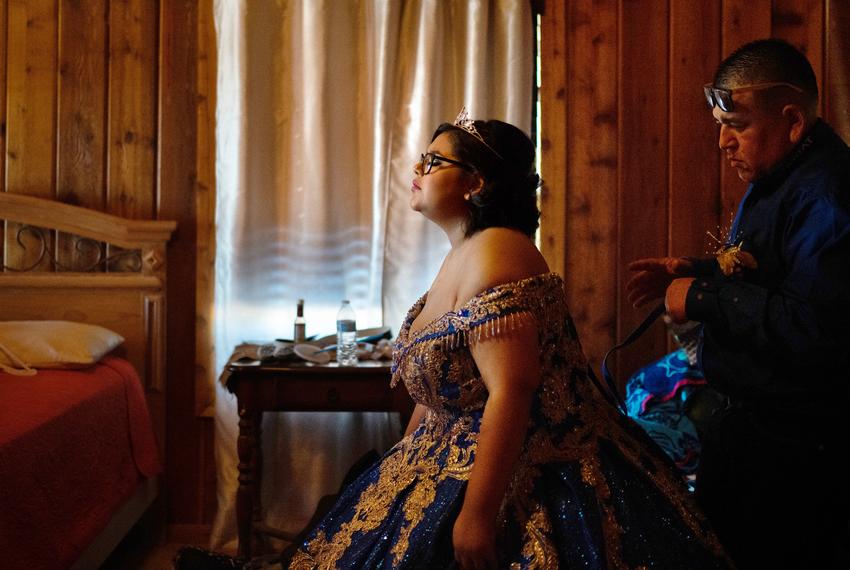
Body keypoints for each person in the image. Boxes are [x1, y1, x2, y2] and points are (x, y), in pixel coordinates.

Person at [287, 108, 729, 569]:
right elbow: (446, 391)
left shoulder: (499, 250)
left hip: (528, 472)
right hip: (441, 458)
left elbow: (511, 391)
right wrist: (398, 464)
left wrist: (476, 517)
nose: (418, 170)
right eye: (422, 159)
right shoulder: (465, 252)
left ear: (475, 184)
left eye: (433, 162)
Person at [627, 39, 850, 569]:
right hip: (749, 433)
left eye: (739, 126)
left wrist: (703, 297)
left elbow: (816, 325)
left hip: (797, 454)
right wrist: (694, 269)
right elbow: (766, 272)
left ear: (793, 119)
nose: (723, 143)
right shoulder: (780, 173)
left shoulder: (829, 195)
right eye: (720, 127)